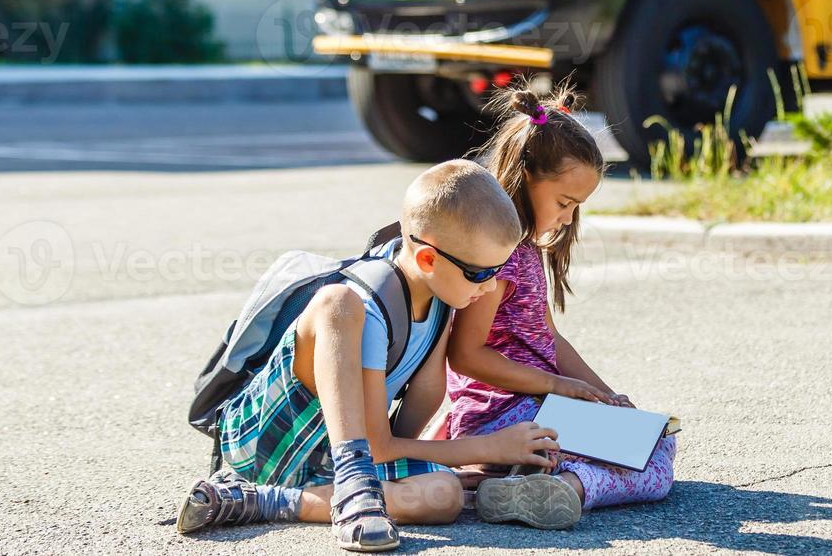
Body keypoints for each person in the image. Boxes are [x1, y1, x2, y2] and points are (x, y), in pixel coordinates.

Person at [175, 159, 564, 552]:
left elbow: (397, 437)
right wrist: (489, 447)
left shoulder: (443, 300)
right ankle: (352, 483)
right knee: (336, 301)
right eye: (481, 274)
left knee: (444, 495)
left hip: (335, 458)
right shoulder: (371, 299)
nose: (491, 286)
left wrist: (441, 462)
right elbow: (381, 447)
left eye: (498, 270)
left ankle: (254, 501)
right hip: (268, 440)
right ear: (428, 259)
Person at [447, 85, 677, 530]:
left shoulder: (526, 249)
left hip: (535, 409)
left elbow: (548, 337)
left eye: (577, 207)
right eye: (564, 203)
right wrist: (557, 386)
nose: (569, 218)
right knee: (649, 459)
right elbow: (466, 355)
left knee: (652, 437)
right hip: (501, 418)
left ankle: (519, 482)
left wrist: (605, 397)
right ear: (524, 176)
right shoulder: (497, 257)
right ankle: (566, 488)